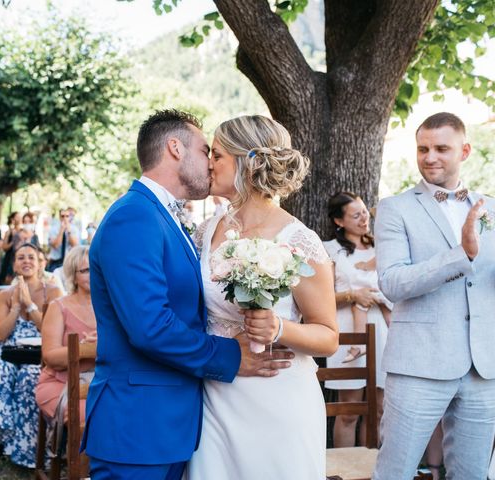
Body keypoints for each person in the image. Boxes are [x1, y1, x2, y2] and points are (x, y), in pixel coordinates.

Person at [83, 109, 296, 480]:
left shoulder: (170, 219)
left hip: (174, 423)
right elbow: (150, 326)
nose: (211, 164)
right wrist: (231, 356)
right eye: (205, 151)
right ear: (175, 148)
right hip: (138, 425)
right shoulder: (133, 216)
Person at [185, 115, 338, 479]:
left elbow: (328, 337)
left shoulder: (299, 239)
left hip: (279, 398)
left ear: (245, 163)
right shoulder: (205, 232)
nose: (208, 163)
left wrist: (277, 327)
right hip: (216, 396)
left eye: (218, 155)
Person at [373, 112, 495, 479]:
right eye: (423, 148)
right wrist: (462, 255)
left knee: (472, 473)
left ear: (465, 151)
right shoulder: (395, 208)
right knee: (395, 471)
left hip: (483, 365)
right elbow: (393, 282)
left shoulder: (489, 206)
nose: (430, 157)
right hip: (418, 364)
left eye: (442, 148)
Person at [0, 242, 61, 470]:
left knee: (30, 379)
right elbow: (2, 335)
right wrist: (16, 306)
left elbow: (51, 330)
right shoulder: (6, 294)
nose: (26, 261)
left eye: (31, 257)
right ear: (14, 264)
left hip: (41, 352)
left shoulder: (53, 291)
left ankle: (28, 451)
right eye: (21, 257)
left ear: (40, 262)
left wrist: (29, 304)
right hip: (11, 349)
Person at [323, 192, 390, 447]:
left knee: (379, 409)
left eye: (364, 212)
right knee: (349, 410)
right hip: (348, 331)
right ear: (339, 221)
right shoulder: (332, 251)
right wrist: (353, 295)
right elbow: (323, 297)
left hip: (381, 331)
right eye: (356, 215)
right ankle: (345, 470)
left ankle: (371, 470)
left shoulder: (379, 248)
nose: (364, 219)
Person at [36, 246, 96, 433]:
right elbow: (50, 356)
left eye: (96, 267)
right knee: (93, 414)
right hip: (61, 383)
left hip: (101, 382)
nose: (93, 274)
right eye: (86, 270)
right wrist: (82, 348)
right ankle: (85, 462)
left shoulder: (112, 306)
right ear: (73, 275)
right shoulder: (59, 307)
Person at [47, 207, 79, 272]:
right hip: (56, 262)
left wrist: (69, 231)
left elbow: (75, 245)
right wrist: (61, 230)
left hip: (69, 262)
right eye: (62, 216)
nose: (65, 218)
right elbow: (56, 245)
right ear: (59, 217)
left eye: (67, 216)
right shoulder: (53, 229)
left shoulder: (74, 229)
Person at [0, 212, 21, 285]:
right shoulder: (9, 232)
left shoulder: (23, 232)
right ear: (12, 219)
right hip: (9, 259)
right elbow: (4, 247)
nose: (19, 218)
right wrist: (13, 241)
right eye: (17, 217)